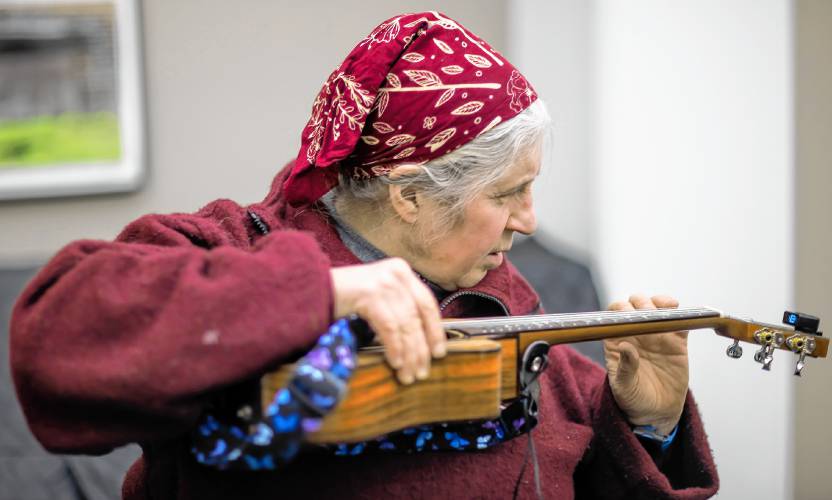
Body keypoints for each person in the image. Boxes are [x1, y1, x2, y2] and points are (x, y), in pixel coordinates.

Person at [10, 12, 718, 499]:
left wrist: (649, 425)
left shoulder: (521, 330)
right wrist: (324, 294)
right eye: (509, 193)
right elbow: (55, 339)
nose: (528, 221)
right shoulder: (228, 246)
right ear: (408, 195)